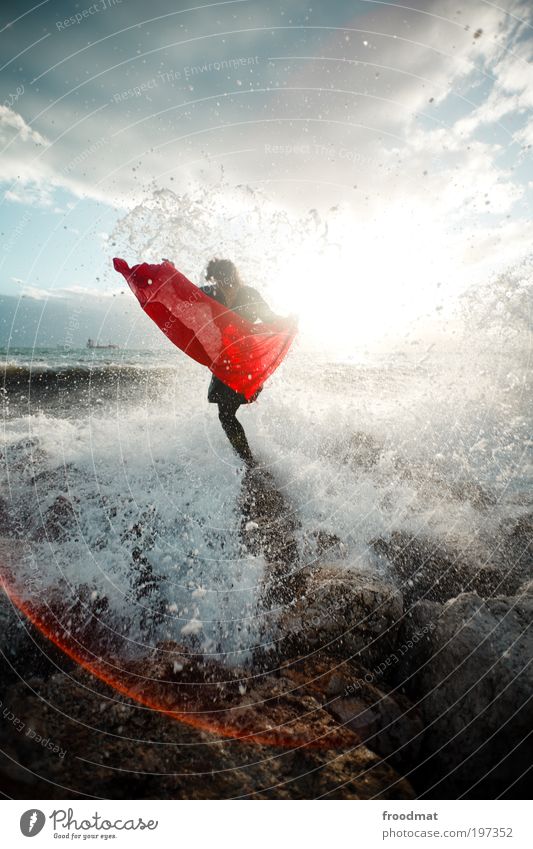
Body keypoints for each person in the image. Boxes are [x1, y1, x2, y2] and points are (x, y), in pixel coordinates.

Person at [200, 258, 291, 466]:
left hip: (248, 360)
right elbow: (183, 293)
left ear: (235, 275)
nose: (225, 282)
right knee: (225, 414)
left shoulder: (249, 294)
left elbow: (269, 318)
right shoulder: (211, 293)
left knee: (227, 412)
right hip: (225, 361)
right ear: (214, 278)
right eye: (220, 278)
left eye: (228, 277)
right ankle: (247, 459)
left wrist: (288, 321)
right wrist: (171, 272)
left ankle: (249, 460)